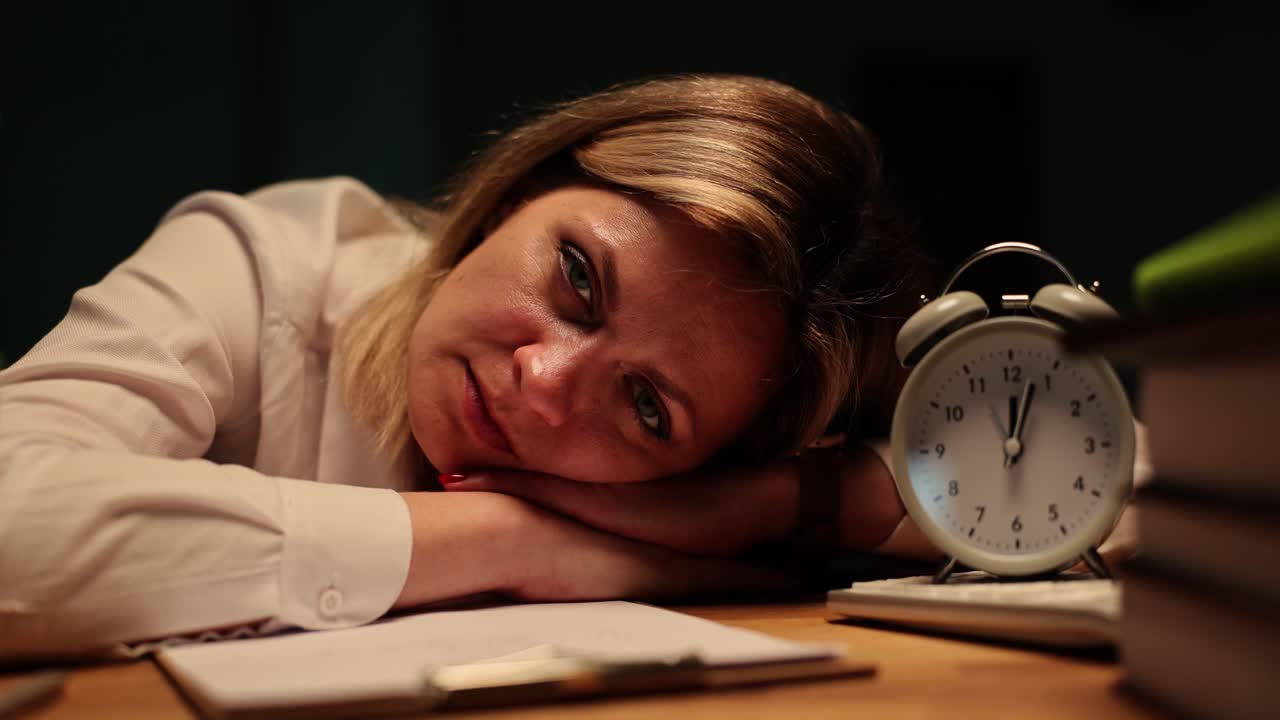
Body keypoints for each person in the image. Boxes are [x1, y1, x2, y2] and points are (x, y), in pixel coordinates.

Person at [0, 74, 1129, 662]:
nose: (543, 382)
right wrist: (521, 543)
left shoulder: (723, 486)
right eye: (578, 279)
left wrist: (785, 501)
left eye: (646, 408)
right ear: (515, 194)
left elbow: (1156, 504)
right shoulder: (267, 266)